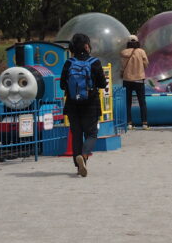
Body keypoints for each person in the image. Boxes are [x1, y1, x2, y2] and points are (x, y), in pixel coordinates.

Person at [60, 33, 108, 177]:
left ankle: (78, 164)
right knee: (92, 133)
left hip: (72, 104)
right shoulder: (95, 62)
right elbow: (102, 84)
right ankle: (85, 155)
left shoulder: (69, 63)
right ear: (87, 46)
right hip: (90, 104)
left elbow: (63, 85)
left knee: (76, 134)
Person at [119, 35, 150, 129]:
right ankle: (144, 123)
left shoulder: (123, 52)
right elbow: (146, 64)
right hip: (139, 79)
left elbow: (121, 67)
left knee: (128, 102)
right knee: (142, 102)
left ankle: (129, 123)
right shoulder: (141, 52)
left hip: (127, 79)